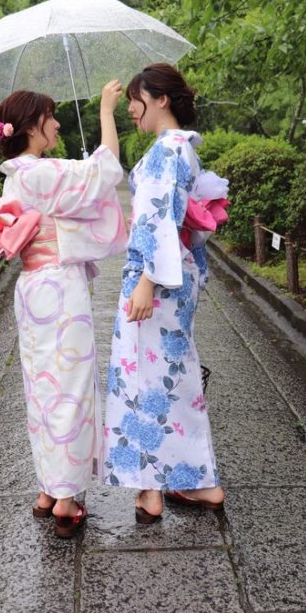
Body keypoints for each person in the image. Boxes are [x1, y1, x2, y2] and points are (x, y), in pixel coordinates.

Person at [0, 82, 127, 537]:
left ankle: (48, 488)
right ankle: (66, 499)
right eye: (51, 116)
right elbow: (104, 171)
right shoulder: (39, 173)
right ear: (31, 126)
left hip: (31, 288)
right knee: (69, 387)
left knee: (42, 388)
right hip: (60, 289)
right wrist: (106, 109)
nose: (58, 123)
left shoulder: (16, 175)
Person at [102, 63, 227, 522]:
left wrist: (146, 282)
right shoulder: (184, 149)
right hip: (177, 275)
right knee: (173, 377)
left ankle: (152, 491)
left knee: (143, 381)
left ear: (160, 99)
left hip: (154, 278)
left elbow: (158, 219)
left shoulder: (164, 151)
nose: (132, 109)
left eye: (136, 99)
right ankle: (197, 482)